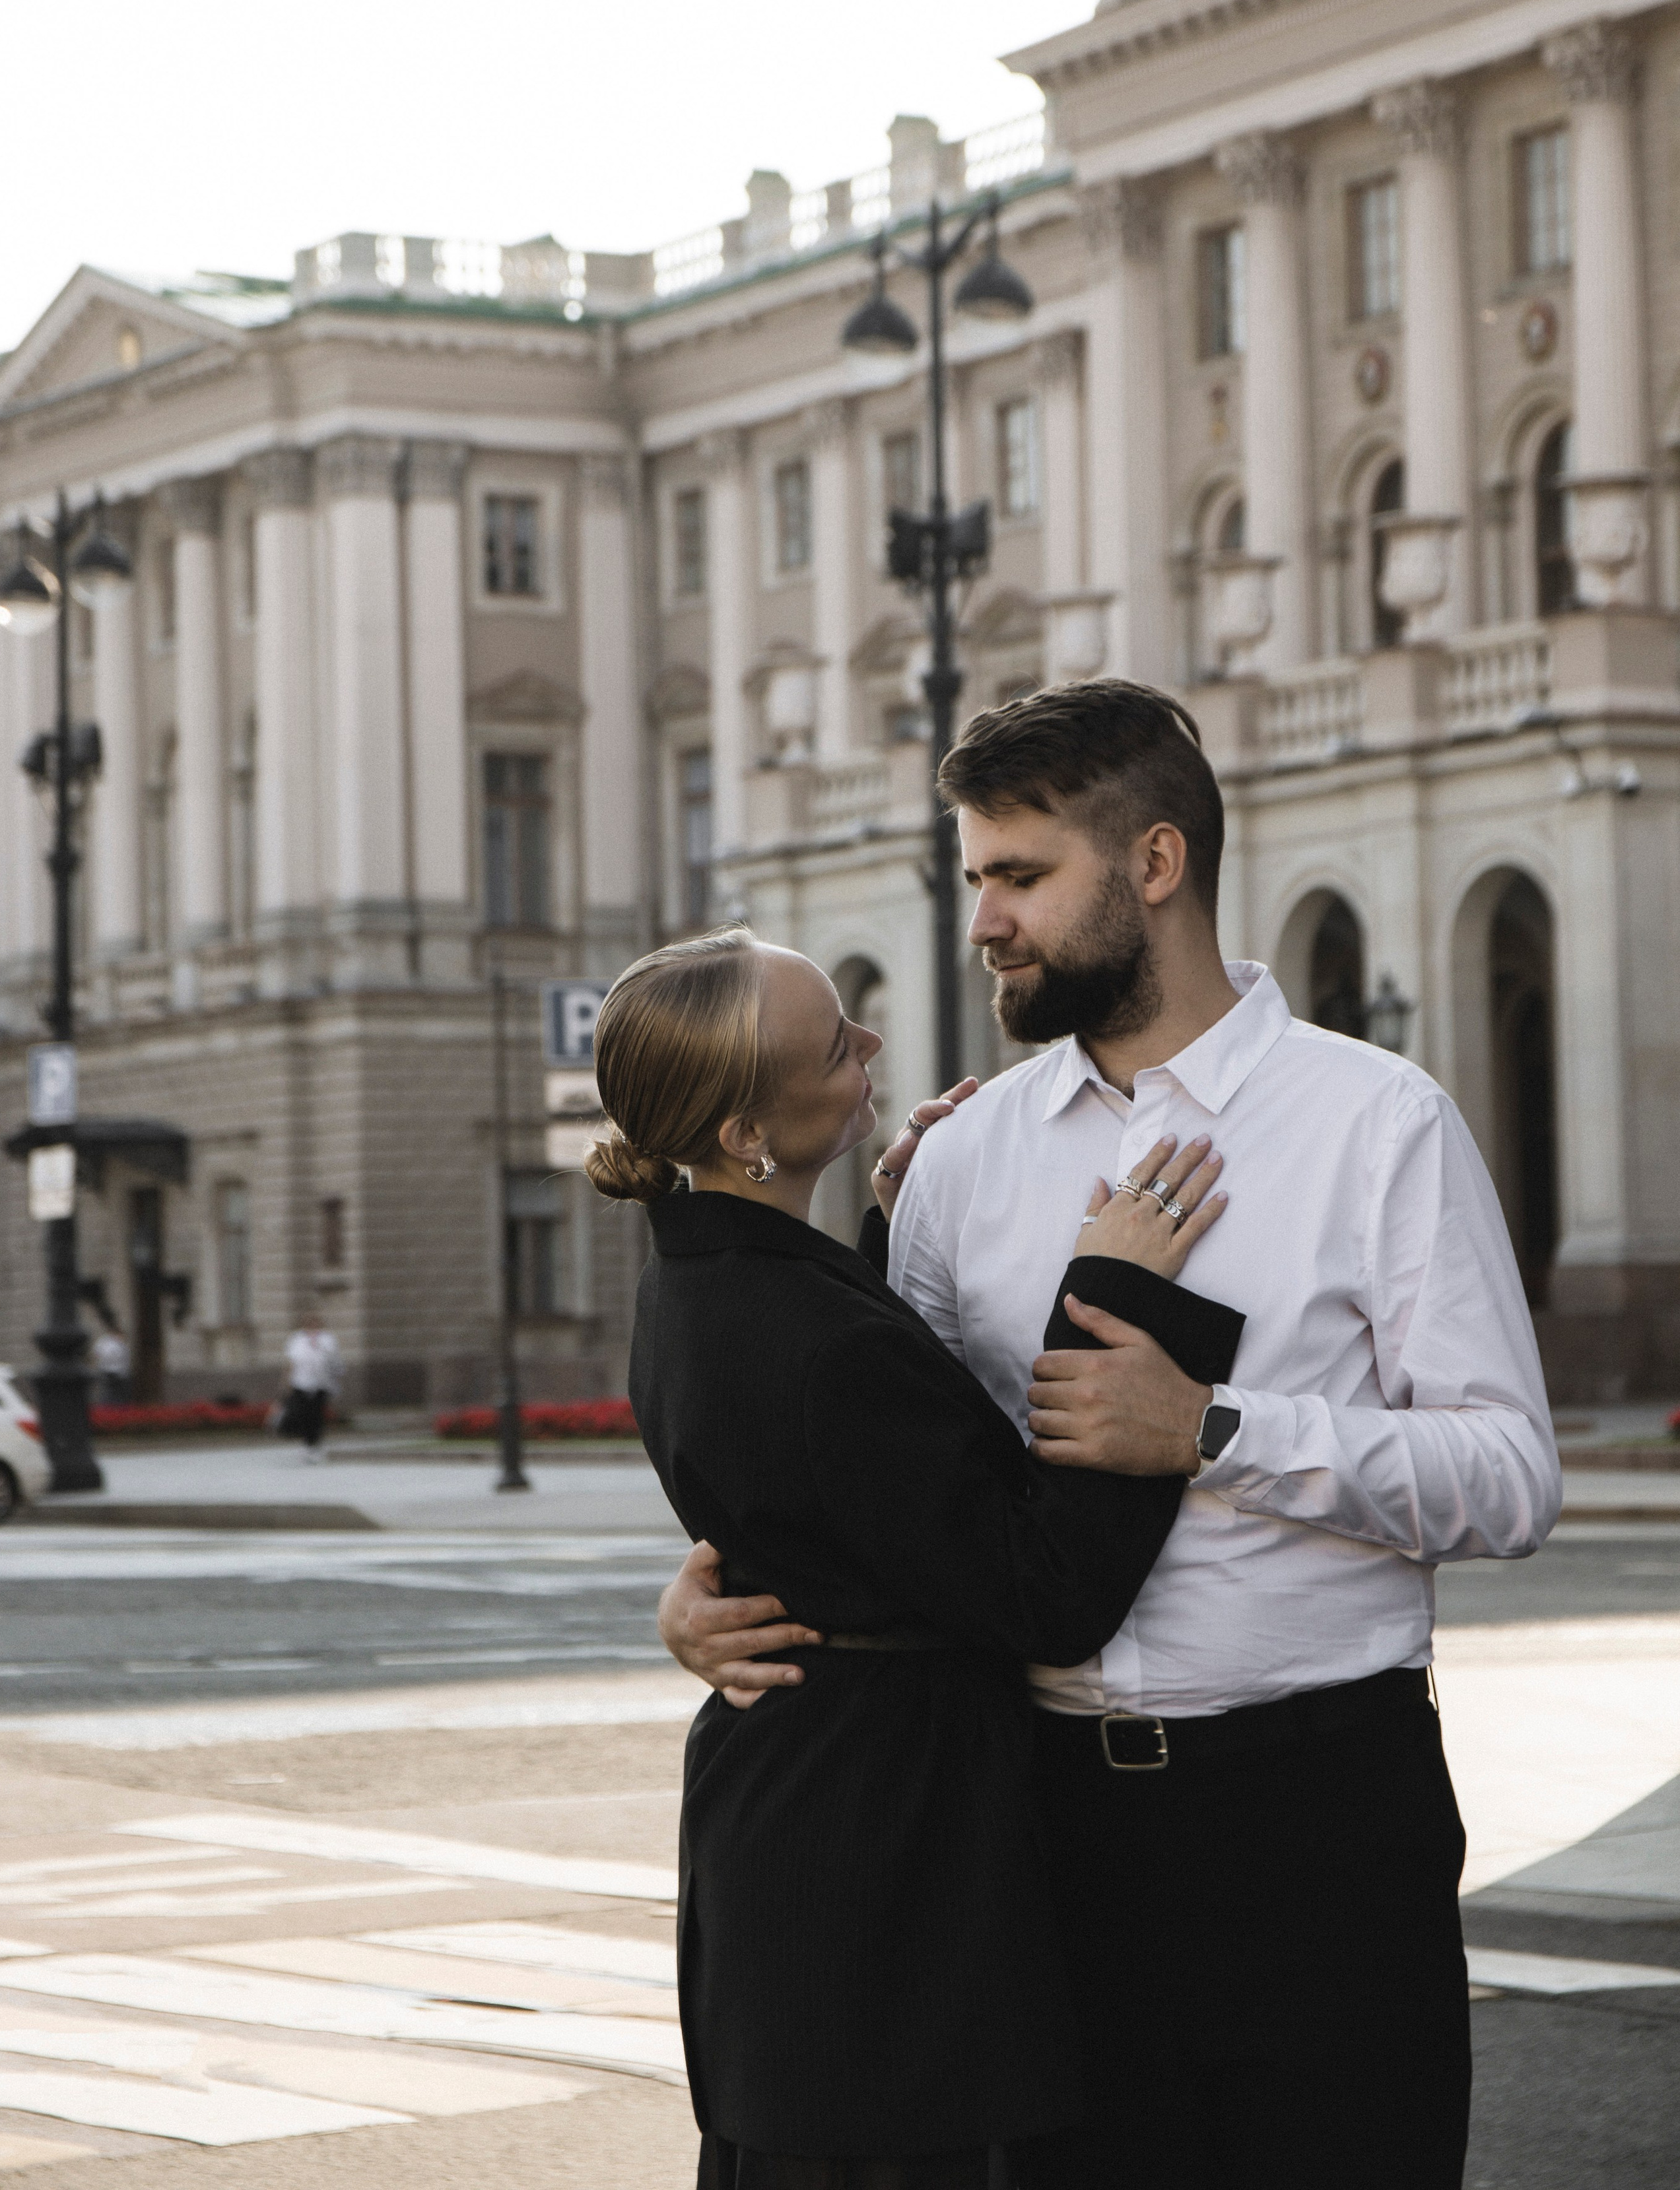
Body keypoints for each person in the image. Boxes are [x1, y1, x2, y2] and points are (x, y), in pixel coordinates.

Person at [658, 677, 1563, 2190]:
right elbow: (899, 1486)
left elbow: (1509, 1478)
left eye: (1018, 876)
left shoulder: (1375, 1122)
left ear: (1153, 863)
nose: (981, 922)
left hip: (1319, 1823)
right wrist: (716, 1585)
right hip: (1031, 1833)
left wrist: (1212, 1426)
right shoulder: (960, 1161)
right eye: (974, 878)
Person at [586, 925, 1248, 2190]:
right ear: (743, 1133)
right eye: (839, 1041)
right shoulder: (804, 1335)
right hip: (877, 1851)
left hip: (803, 1812)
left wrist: (893, 1222)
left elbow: (841, 1459)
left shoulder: (704, 1274)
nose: (876, 1043)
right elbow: (1047, 1593)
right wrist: (1118, 1295)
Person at [283, 1310, 341, 1462]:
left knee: (317, 1416)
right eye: (309, 1324)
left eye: (315, 1324)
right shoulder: (297, 1339)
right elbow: (291, 1361)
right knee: (303, 1414)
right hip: (301, 1383)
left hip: (321, 1384)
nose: (312, 1327)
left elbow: (334, 1360)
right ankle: (307, 1444)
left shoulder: (327, 1339)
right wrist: (287, 1382)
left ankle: (316, 1445)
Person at [88, 1315, 131, 1407]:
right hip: (114, 1372)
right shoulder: (114, 1343)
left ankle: (111, 1407)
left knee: (112, 1393)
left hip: (112, 1371)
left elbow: (96, 1355)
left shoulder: (104, 1342)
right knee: (112, 1393)